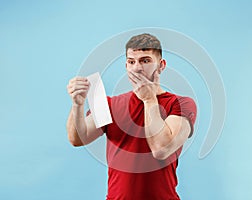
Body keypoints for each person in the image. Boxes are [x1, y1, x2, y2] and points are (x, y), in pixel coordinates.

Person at [66, 33, 197, 200]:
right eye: (131, 61)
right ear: (126, 66)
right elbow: (77, 139)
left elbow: (161, 149)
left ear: (161, 65)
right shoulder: (109, 104)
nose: (137, 68)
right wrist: (77, 105)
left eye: (145, 60)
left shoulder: (181, 104)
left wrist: (149, 99)